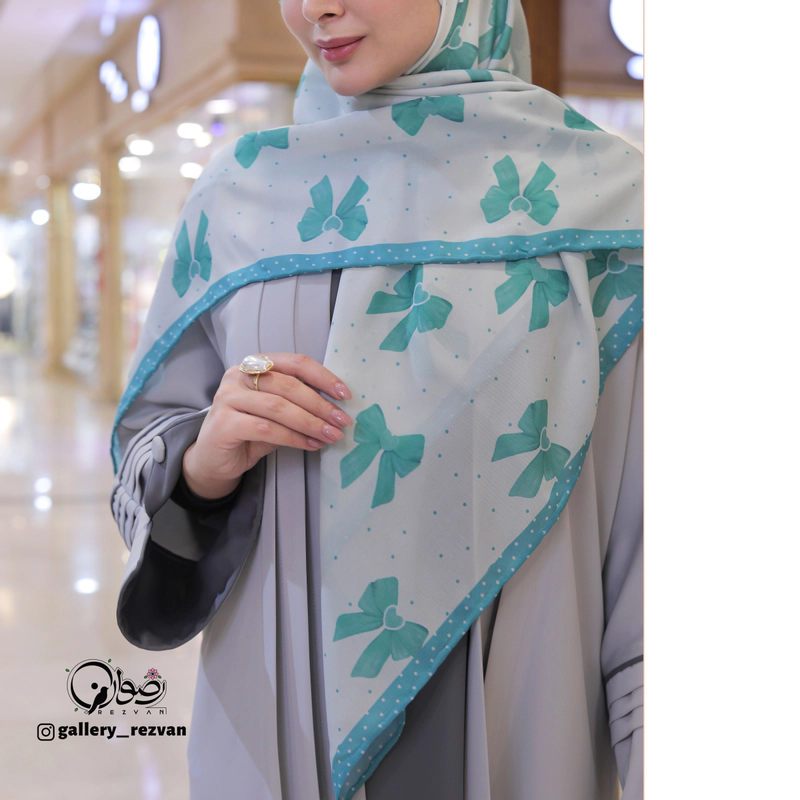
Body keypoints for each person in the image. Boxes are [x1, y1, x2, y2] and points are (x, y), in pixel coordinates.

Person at [110, 0, 643, 798]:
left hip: (523, 715)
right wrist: (201, 469)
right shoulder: (243, 196)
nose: (314, 8)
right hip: (280, 723)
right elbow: (155, 433)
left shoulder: (608, 202)